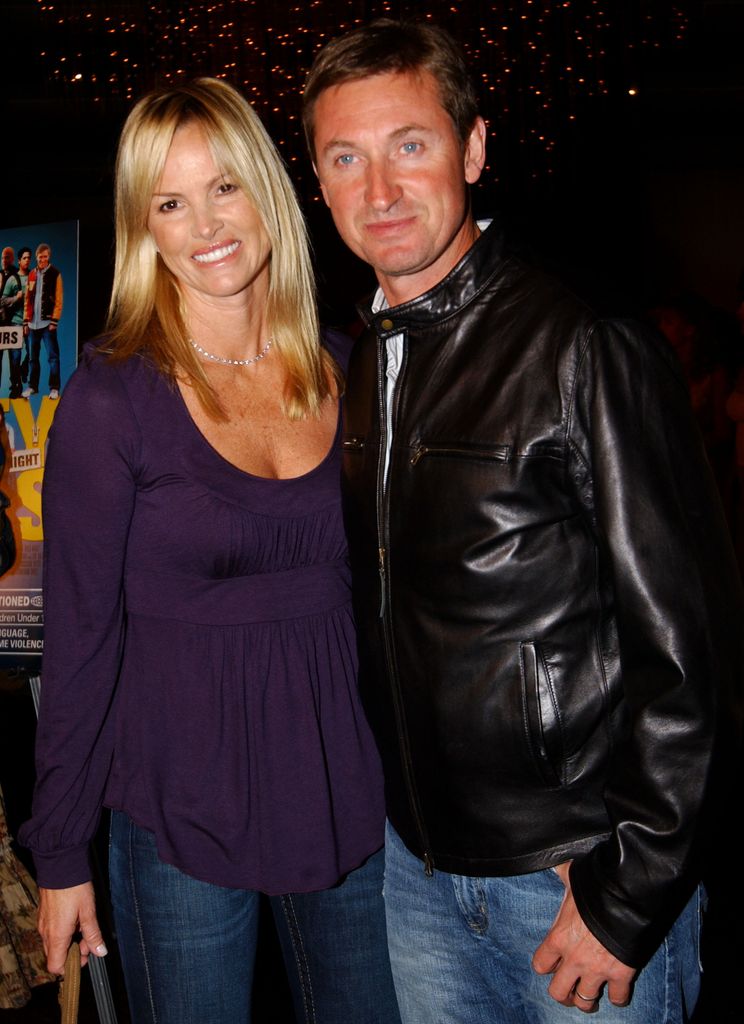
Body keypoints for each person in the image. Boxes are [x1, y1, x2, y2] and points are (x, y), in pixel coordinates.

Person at [302, 19, 743, 1024]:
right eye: (345, 157)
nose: (378, 190)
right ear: (318, 182)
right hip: (416, 877)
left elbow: (695, 652)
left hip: (571, 881)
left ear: (474, 148)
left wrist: (628, 896)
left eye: (409, 144)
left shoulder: (584, 341)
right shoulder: (364, 360)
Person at [20, 78, 400, 1024]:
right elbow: (79, 644)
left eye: (224, 187)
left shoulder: (354, 368)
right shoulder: (112, 399)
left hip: (344, 795)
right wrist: (61, 854)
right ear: (143, 224)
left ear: (269, 190)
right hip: (176, 817)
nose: (205, 225)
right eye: (170, 201)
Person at [22, 243, 63, 399]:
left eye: (45, 256)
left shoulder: (55, 274)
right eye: (40, 257)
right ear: (36, 257)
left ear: (49, 256)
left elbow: (59, 299)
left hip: (47, 324)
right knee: (33, 358)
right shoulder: (31, 275)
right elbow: (27, 299)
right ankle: (32, 386)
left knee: (53, 356)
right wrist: (25, 322)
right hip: (32, 324)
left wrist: (54, 321)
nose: (43, 259)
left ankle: (54, 388)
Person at [0, 246, 24, 398]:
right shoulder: (0, 274)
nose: (4, 260)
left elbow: (22, 298)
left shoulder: (17, 275)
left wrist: (11, 300)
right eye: (2, 257)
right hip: (1, 324)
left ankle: (16, 387)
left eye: (7, 257)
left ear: (13, 258)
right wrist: (14, 298)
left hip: (14, 322)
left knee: (14, 358)